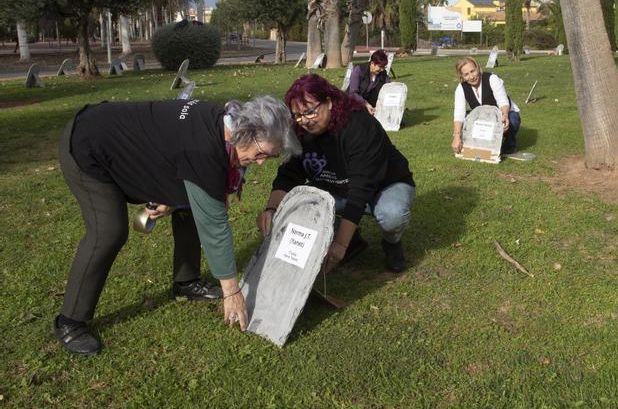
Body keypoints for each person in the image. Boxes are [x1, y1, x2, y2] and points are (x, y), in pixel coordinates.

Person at [55, 96, 298, 355]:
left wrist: (170, 198)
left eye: (269, 157)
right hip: (89, 144)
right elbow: (214, 227)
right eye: (260, 153)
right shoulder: (205, 149)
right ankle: (71, 320)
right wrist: (232, 291)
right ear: (245, 131)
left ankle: (186, 281)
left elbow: (171, 154)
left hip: (119, 139)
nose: (261, 162)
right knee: (108, 231)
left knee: (191, 203)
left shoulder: (224, 126)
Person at [257, 74, 415, 274]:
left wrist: (339, 246)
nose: (304, 121)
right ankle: (354, 240)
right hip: (341, 189)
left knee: (392, 214)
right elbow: (289, 174)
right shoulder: (301, 132)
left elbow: (361, 189)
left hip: (386, 184)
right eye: (298, 115)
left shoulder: (358, 126)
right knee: (301, 203)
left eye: (310, 112)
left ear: (329, 103)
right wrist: (271, 209)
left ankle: (392, 242)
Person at [450, 56, 521, 155]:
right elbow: (459, 113)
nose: (471, 76)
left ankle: (509, 145)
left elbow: (503, 101)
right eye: (466, 74)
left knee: (513, 119)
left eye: (473, 71)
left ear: (478, 68)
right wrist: (456, 136)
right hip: (484, 116)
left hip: (504, 113)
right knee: (466, 118)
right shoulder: (461, 88)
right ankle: (477, 144)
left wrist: (505, 115)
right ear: (462, 77)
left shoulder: (492, 78)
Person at [347, 49, 390, 115]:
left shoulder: (383, 73)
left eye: (384, 67)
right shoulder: (359, 70)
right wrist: (365, 104)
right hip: (354, 102)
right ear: (372, 63)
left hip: (371, 104)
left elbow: (388, 89)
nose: (382, 69)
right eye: (380, 66)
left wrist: (379, 106)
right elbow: (353, 93)